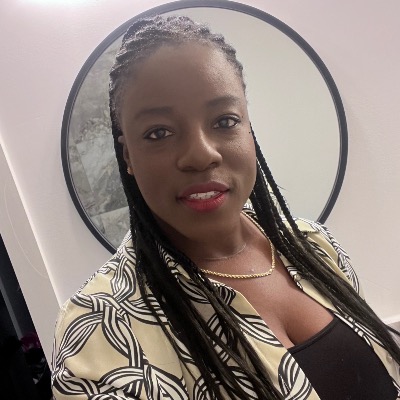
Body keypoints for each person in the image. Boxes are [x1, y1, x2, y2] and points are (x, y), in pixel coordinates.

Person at [51, 15, 400, 400]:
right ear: (128, 155)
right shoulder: (101, 327)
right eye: (159, 132)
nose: (201, 154)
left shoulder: (313, 244)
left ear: (249, 129)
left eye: (224, 120)